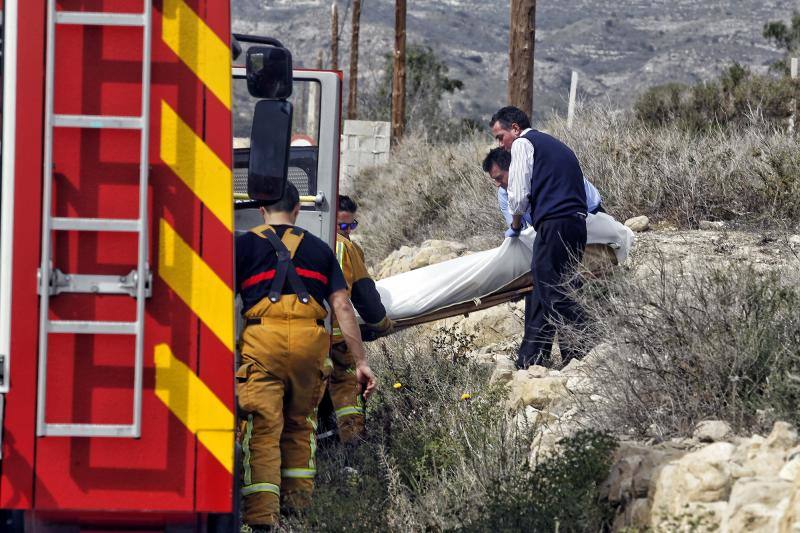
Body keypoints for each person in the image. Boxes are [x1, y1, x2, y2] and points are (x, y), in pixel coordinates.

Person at [235, 183, 377, 532]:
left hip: (262, 343)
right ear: (298, 210)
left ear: (263, 210)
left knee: (264, 430)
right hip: (310, 344)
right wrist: (361, 362)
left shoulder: (244, 245)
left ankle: (262, 519)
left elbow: (223, 299)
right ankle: (298, 509)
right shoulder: (320, 248)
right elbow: (342, 305)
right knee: (301, 426)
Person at [489, 106, 588, 369]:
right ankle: (567, 356)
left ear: (515, 129)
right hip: (577, 224)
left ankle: (589, 334)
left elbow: (519, 194)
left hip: (554, 222)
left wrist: (516, 223)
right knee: (556, 284)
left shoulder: (523, 144)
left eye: (500, 137)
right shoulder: (556, 145)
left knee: (549, 289)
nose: (501, 144)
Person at [318, 195, 393, 444]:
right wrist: (382, 324)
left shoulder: (306, 241)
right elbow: (364, 296)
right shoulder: (346, 248)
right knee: (347, 394)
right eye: (342, 226)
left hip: (305, 337)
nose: (347, 231)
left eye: (352, 225)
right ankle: (352, 446)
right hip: (338, 339)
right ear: (330, 222)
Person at [482, 147, 604, 237]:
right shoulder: (504, 194)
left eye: (499, 178)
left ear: (513, 168)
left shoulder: (543, 173)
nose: (497, 184)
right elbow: (519, 229)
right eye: (494, 180)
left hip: (590, 212)